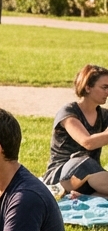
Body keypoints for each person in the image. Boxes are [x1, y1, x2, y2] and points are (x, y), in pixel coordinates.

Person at [43, 64, 108, 198]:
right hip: (61, 174)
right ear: (88, 87)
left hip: (91, 177)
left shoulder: (104, 115)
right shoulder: (68, 112)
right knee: (85, 162)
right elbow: (87, 142)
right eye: (104, 87)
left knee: (90, 166)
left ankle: (82, 197)